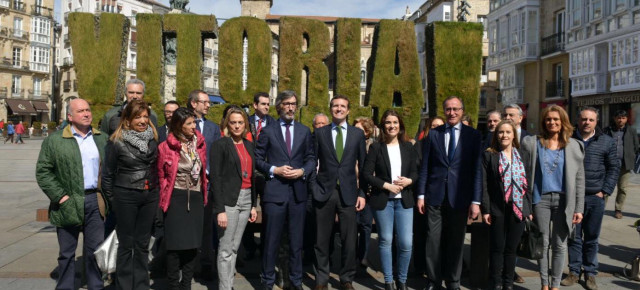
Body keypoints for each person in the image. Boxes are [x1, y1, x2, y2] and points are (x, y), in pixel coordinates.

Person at [36, 98, 108, 290]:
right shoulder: (55, 140)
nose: (86, 114)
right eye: (80, 111)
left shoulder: (101, 138)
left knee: (95, 250)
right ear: (70, 116)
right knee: (67, 252)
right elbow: (43, 171)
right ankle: (65, 287)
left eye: (88, 110)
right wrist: (61, 197)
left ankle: (96, 285)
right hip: (67, 201)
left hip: (95, 200)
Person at [416, 96, 483, 290]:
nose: (452, 113)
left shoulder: (473, 135)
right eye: (448, 109)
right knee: (433, 241)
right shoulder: (434, 134)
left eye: (455, 109)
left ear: (462, 111)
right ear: (444, 111)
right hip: (435, 195)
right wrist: (421, 195)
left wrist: (476, 200)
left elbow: (476, 170)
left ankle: (454, 281)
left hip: (460, 197)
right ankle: (433, 280)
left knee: (456, 241)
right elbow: (426, 167)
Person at [255, 90, 316, 290]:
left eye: (294, 104)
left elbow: (310, 158)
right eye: (287, 103)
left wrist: (302, 171)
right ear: (279, 105)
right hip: (275, 193)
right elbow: (257, 159)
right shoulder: (268, 131)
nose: (291, 107)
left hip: (298, 193)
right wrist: (274, 169)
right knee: (271, 241)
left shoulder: (304, 131)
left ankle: (296, 281)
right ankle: (268, 280)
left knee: (296, 242)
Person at [520, 105, 585, 290]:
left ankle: (555, 285)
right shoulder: (532, 143)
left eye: (556, 119)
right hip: (540, 200)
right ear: (543, 121)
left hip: (565, 201)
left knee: (560, 244)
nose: (552, 122)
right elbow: (524, 176)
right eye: (548, 119)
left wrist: (579, 208)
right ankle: (544, 284)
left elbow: (580, 179)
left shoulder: (574, 145)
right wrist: (526, 206)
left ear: (563, 121)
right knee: (542, 243)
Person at [102, 99, 159, 290]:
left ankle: (141, 285)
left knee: (143, 245)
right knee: (126, 244)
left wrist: (155, 192)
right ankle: (124, 285)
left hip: (149, 195)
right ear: (127, 120)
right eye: (138, 117)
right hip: (125, 195)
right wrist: (113, 201)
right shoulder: (116, 142)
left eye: (145, 117)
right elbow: (107, 176)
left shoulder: (153, 139)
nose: (143, 121)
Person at [313, 95, 367, 290]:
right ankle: (321, 279)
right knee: (321, 238)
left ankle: (346, 279)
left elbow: (364, 165)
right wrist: (313, 186)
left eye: (343, 106)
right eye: (335, 106)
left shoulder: (357, 135)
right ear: (330, 109)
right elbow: (312, 162)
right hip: (324, 191)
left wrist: (362, 193)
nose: (339, 109)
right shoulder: (320, 134)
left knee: (349, 239)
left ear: (348, 110)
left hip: (349, 193)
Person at [562, 107, 620, 290]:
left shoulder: (607, 142)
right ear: (578, 120)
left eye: (591, 120)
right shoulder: (568, 140)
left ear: (596, 122)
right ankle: (573, 271)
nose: (587, 122)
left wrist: (604, 191)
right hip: (572, 197)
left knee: (592, 238)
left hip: (595, 197)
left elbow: (614, 168)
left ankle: (590, 273)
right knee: (574, 237)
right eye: (584, 119)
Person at [362, 110, 418, 290]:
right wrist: (386, 185)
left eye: (395, 122)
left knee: (406, 242)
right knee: (385, 239)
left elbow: (416, 172)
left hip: (405, 201)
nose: (392, 126)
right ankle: (388, 281)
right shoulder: (376, 148)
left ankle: (401, 280)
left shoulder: (409, 147)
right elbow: (366, 174)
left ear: (400, 125)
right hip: (383, 201)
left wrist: (409, 180)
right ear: (383, 126)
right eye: (388, 122)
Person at [157, 107, 208, 290]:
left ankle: (186, 284)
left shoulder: (200, 143)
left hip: (195, 197)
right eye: (189, 123)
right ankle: (173, 285)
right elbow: (161, 175)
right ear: (179, 125)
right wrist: (163, 198)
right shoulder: (166, 146)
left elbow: (203, 171)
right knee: (174, 247)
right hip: (175, 197)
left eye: (194, 122)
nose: (194, 126)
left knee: (192, 246)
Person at [481, 120, 532, 290]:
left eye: (508, 132)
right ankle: (495, 281)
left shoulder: (522, 155)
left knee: (511, 249)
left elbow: (528, 184)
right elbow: (484, 185)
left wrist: (528, 208)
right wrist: (486, 210)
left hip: (518, 208)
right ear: (496, 135)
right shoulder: (489, 155)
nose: (504, 135)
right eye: (501, 132)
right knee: (497, 248)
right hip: (497, 208)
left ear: (513, 135)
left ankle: (508, 282)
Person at [211, 106, 259, 290]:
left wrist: (253, 204)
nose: (237, 126)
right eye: (233, 123)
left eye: (240, 122)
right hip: (229, 200)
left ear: (245, 124)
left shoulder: (249, 145)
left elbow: (252, 177)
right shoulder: (220, 145)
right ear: (227, 124)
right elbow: (216, 178)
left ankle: (229, 283)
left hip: (246, 199)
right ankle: (225, 287)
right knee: (225, 248)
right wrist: (220, 210)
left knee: (234, 247)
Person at [186, 89, 221, 280]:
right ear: (194, 103)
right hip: (186, 184)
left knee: (207, 225)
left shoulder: (213, 128)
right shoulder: (183, 123)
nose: (208, 105)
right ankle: (189, 264)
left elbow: (215, 155)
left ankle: (206, 263)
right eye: (205, 102)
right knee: (188, 225)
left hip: (206, 185)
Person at [604, 109, 639, 219]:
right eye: (618, 118)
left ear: (626, 119)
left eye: (623, 118)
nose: (620, 120)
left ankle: (618, 209)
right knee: (605, 187)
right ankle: (600, 208)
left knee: (623, 188)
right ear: (614, 118)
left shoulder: (631, 131)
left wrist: (630, 156)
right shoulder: (607, 130)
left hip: (624, 164)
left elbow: (636, 146)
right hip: (609, 164)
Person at [353, 116, 376, 269]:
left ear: (367, 132)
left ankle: (363, 256)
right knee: (353, 225)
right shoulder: (351, 145)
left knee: (366, 225)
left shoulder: (374, 146)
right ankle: (353, 256)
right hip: (353, 190)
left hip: (369, 191)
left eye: (359, 129)